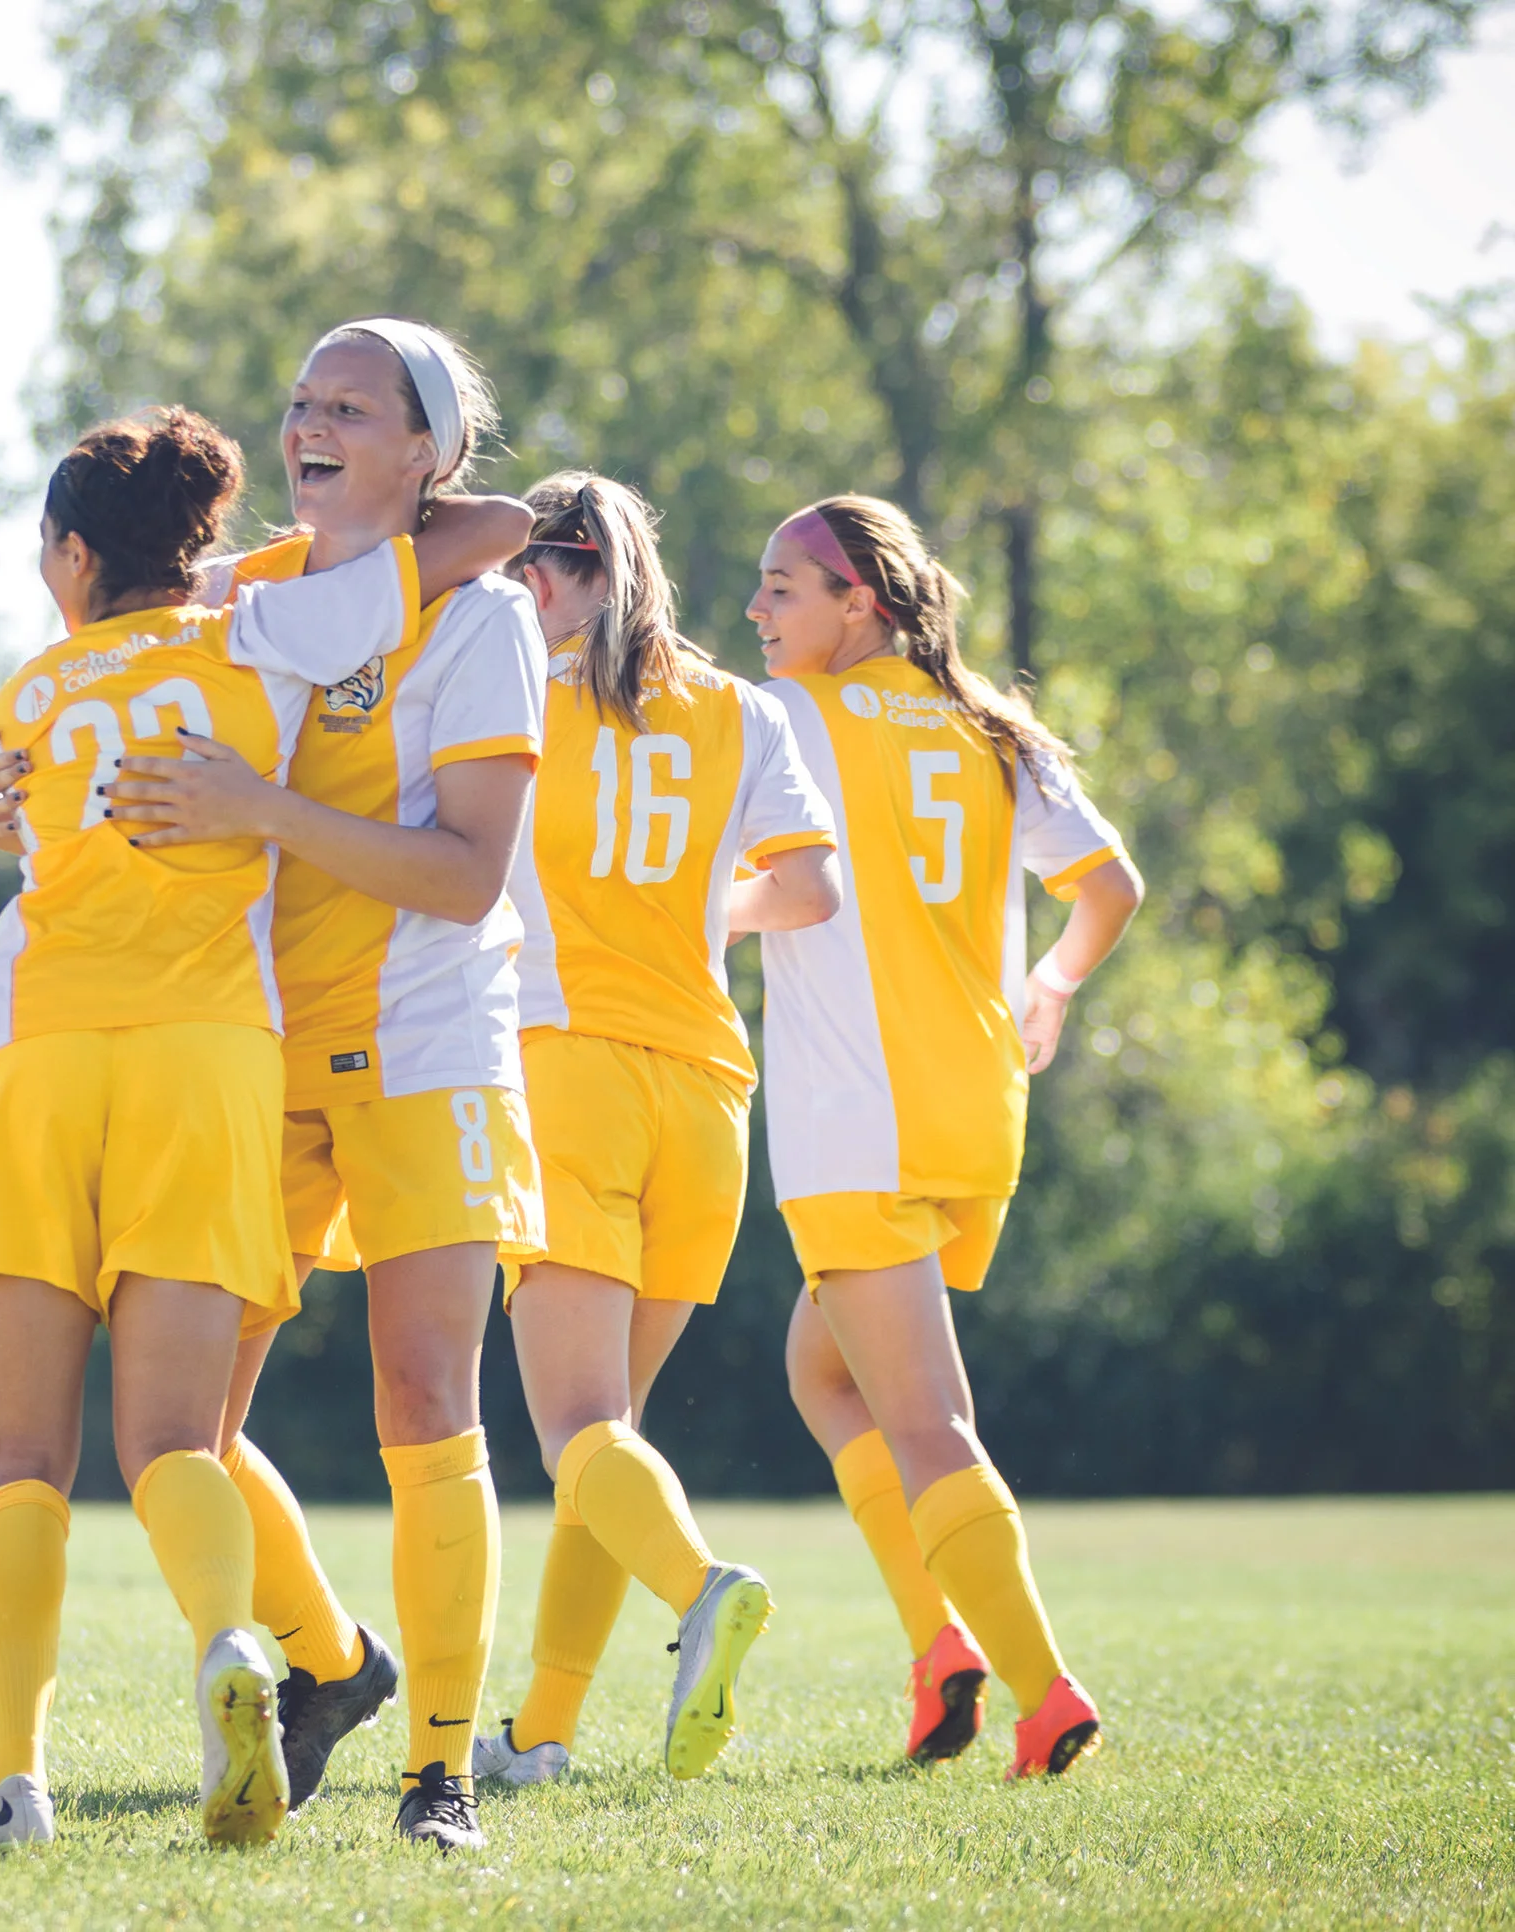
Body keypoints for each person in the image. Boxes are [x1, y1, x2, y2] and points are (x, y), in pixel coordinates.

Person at [0, 405, 529, 1852]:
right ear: (194, 548)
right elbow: (484, 532)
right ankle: (231, 1646)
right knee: (172, 1438)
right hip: (207, 1059)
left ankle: (17, 1784)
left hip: (30, 1055)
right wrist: (235, 576)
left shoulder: (29, 685)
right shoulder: (262, 640)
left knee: (23, 1454)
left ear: (71, 556)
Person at [103, 319, 548, 1850]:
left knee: (424, 1402)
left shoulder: (482, 624)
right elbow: (119, 721)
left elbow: (468, 875)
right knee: (192, 1426)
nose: (310, 422)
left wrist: (261, 807)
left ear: (424, 450)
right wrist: (2, 783)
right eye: (299, 399)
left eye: (350, 405)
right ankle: (333, 1664)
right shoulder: (248, 598)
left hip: (427, 1051)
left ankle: (443, 1774)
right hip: (258, 1049)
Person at [749, 494, 1143, 1777]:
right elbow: (1110, 887)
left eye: (782, 591)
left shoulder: (793, 718)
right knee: (824, 1372)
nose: (757, 611)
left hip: (858, 1116)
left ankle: (1043, 1693)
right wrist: (1055, 986)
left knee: (927, 1422)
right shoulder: (990, 723)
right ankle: (941, 1646)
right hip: (975, 1106)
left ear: (857, 599)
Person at [468, 473, 840, 1788]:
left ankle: (702, 1588)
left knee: (577, 1428)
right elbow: (808, 888)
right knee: (607, 1429)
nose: (508, 596)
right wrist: (697, 911)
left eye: (521, 571)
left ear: (555, 573)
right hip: (706, 1098)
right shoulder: (743, 707)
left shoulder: (518, 689)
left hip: (567, 1076)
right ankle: (546, 1733)